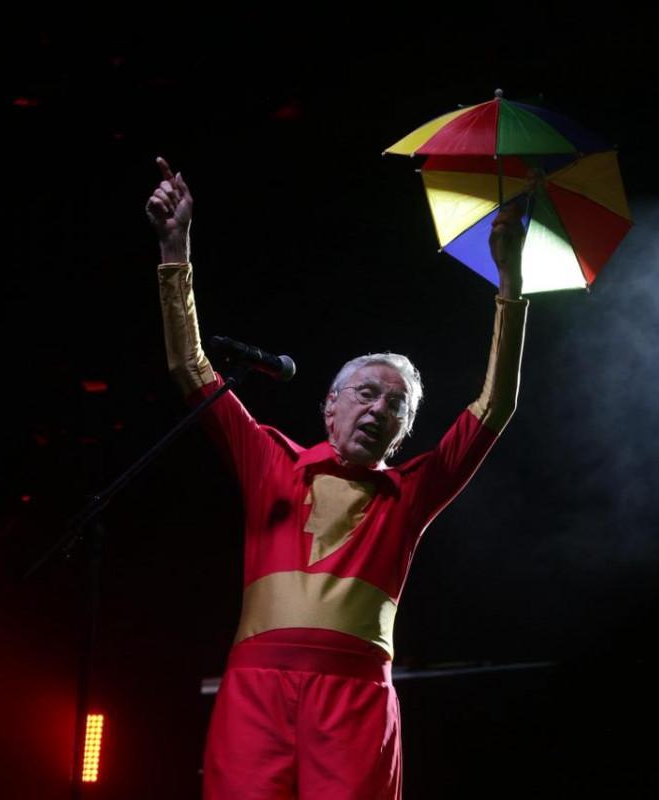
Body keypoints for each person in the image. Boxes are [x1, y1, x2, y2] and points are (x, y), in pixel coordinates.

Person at [147, 155, 528, 799]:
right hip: (256, 690)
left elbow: (496, 407)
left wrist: (510, 280)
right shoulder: (269, 458)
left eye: (396, 404)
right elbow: (192, 367)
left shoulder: (411, 495)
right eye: (366, 393)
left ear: (403, 432)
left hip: (355, 700)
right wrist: (174, 246)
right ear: (329, 405)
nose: (379, 407)